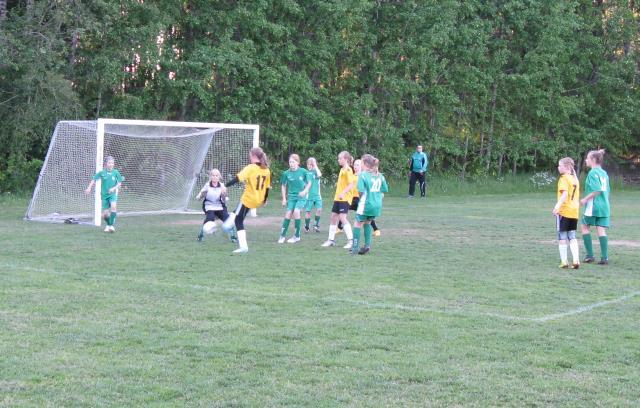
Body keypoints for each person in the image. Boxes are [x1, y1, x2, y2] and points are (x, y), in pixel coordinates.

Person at [222, 147, 271, 253]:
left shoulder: (251, 167)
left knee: (238, 220)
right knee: (239, 216)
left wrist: (225, 185)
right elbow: (267, 187)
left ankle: (243, 245)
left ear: (253, 156)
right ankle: (229, 224)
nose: (250, 158)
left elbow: (238, 178)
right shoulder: (266, 169)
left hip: (248, 199)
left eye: (250, 156)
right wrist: (265, 199)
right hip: (258, 200)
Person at [351, 154, 388, 255]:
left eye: (361, 162)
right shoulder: (380, 175)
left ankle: (354, 247)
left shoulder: (363, 175)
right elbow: (385, 189)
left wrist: (362, 197)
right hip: (377, 205)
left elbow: (361, 191)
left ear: (365, 163)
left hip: (366, 204)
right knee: (367, 222)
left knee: (357, 223)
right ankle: (367, 246)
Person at [580, 149, 611, 265]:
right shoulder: (604, 172)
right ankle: (604, 258)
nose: (586, 160)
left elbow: (597, 190)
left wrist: (584, 199)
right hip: (604, 205)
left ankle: (590, 256)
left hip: (593, 206)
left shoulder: (593, 173)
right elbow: (607, 191)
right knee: (601, 229)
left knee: (584, 226)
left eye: (587, 158)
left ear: (593, 160)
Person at [321, 151, 356, 249]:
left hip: (344, 198)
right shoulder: (342, 169)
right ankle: (330, 240)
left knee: (342, 218)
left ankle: (351, 241)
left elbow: (351, 184)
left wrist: (343, 193)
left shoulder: (348, 170)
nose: (338, 160)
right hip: (338, 198)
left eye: (340, 158)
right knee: (333, 217)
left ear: (345, 159)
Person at [195, 168, 237, 243]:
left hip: (220, 206)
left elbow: (225, 200)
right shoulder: (207, 185)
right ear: (210, 176)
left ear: (219, 177)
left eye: (216, 175)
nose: (215, 177)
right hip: (209, 206)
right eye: (213, 175)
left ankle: (233, 237)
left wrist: (223, 195)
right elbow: (198, 198)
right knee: (210, 218)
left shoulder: (222, 186)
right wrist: (202, 195)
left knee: (228, 220)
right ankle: (200, 235)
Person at [552, 157, 580, 269]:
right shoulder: (575, 179)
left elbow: (564, 195)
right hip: (574, 211)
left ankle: (564, 262)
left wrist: (557, 207)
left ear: (567, 167)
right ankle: (576, 260)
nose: (558, 167)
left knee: (562, 237)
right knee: (572, 236)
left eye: (560, 165)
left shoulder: (563, 178)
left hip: (564, 211)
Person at [278, 154, 312, 243]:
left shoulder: (303, 171)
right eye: (290, 162)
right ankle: (282, 236)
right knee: (288, 213)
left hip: (301, 197)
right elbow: (283, 186)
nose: (291, 164)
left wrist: (305, 191)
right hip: (291, 197)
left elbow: (309, 183)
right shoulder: (286, 173)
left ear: (298, 162)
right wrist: (284, 199)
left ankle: (297, 236)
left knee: (296, 211)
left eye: (293, 162)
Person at [84, 156, 124, 232]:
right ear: (106, 164)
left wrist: (113, 188)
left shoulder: (116, 172)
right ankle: (108, 225)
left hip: (112, 194)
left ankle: (111, 226)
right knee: (105, 215)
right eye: (109, 163)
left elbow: (119, 183)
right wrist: (89, 188)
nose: (111, 164)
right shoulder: (102, 173)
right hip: (104, 195)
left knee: (113, 207)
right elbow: (94, 179)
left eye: (112, 163)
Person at [304, 157, 323, 233]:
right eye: (308, 164)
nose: (309, 165)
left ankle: (316, 225)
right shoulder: (306, 173)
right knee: (308, 212)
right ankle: (307, 227)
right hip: (309, 196)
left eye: (311, 164)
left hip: (317, 196)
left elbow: (319, 175)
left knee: (319, 209)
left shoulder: (316, 172)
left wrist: (315, 165)